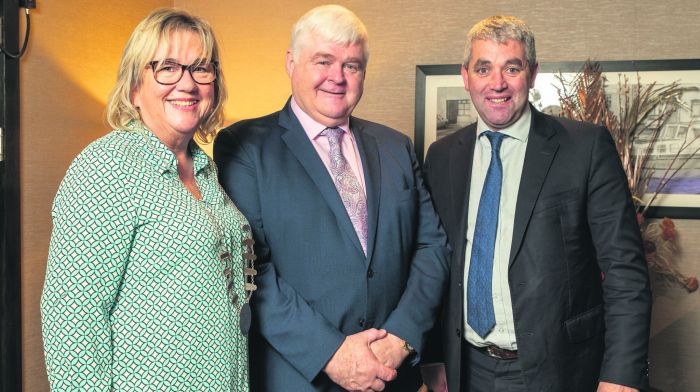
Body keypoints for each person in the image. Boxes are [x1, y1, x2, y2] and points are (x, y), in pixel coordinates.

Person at [214, 5, 450, 392]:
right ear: (291, 63)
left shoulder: (395, 146)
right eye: (323, 61)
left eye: (352, 65)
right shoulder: (244, 147)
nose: (337, 78)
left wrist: (401, 338)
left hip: (393, 376)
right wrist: (332, 354)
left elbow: (432, 247)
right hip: (300, 378)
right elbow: (251, 270)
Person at [422, 15, 652, 392]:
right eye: (484, 68)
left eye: (511, 68)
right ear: (466, 77)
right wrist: (434, 355)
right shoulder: (443, 155)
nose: (497, 83)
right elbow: (435, 262)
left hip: (559, 369)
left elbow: (625, 271)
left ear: (532, 74)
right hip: (467, 369)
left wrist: (621, 376)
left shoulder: (585, 147)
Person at [40, 8, 253, 391]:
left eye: (201, 68)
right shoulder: (107, 166)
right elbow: (71, 318)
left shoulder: (206, 169)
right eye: (167, 67)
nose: (186, 83)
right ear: (134, 87)